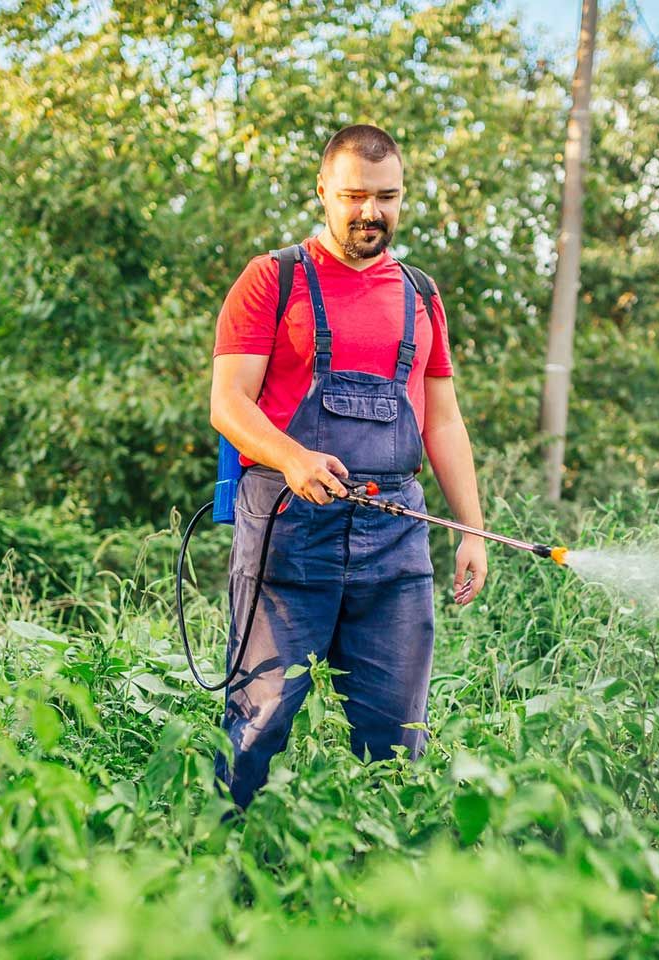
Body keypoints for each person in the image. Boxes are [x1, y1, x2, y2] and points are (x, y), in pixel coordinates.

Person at [208, 123, 488, 810]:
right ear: (323, 192)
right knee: (257, 724)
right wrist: (292, 457)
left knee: (398, 739)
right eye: (355, 196)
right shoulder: (272, 279)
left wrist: (471, 529)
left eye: (387, 197)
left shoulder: (421, 295)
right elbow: (228, 403)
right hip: (288, 536)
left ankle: (377, 881)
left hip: (395, 546)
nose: (371, 213)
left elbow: (444, 419)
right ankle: (221, 859)